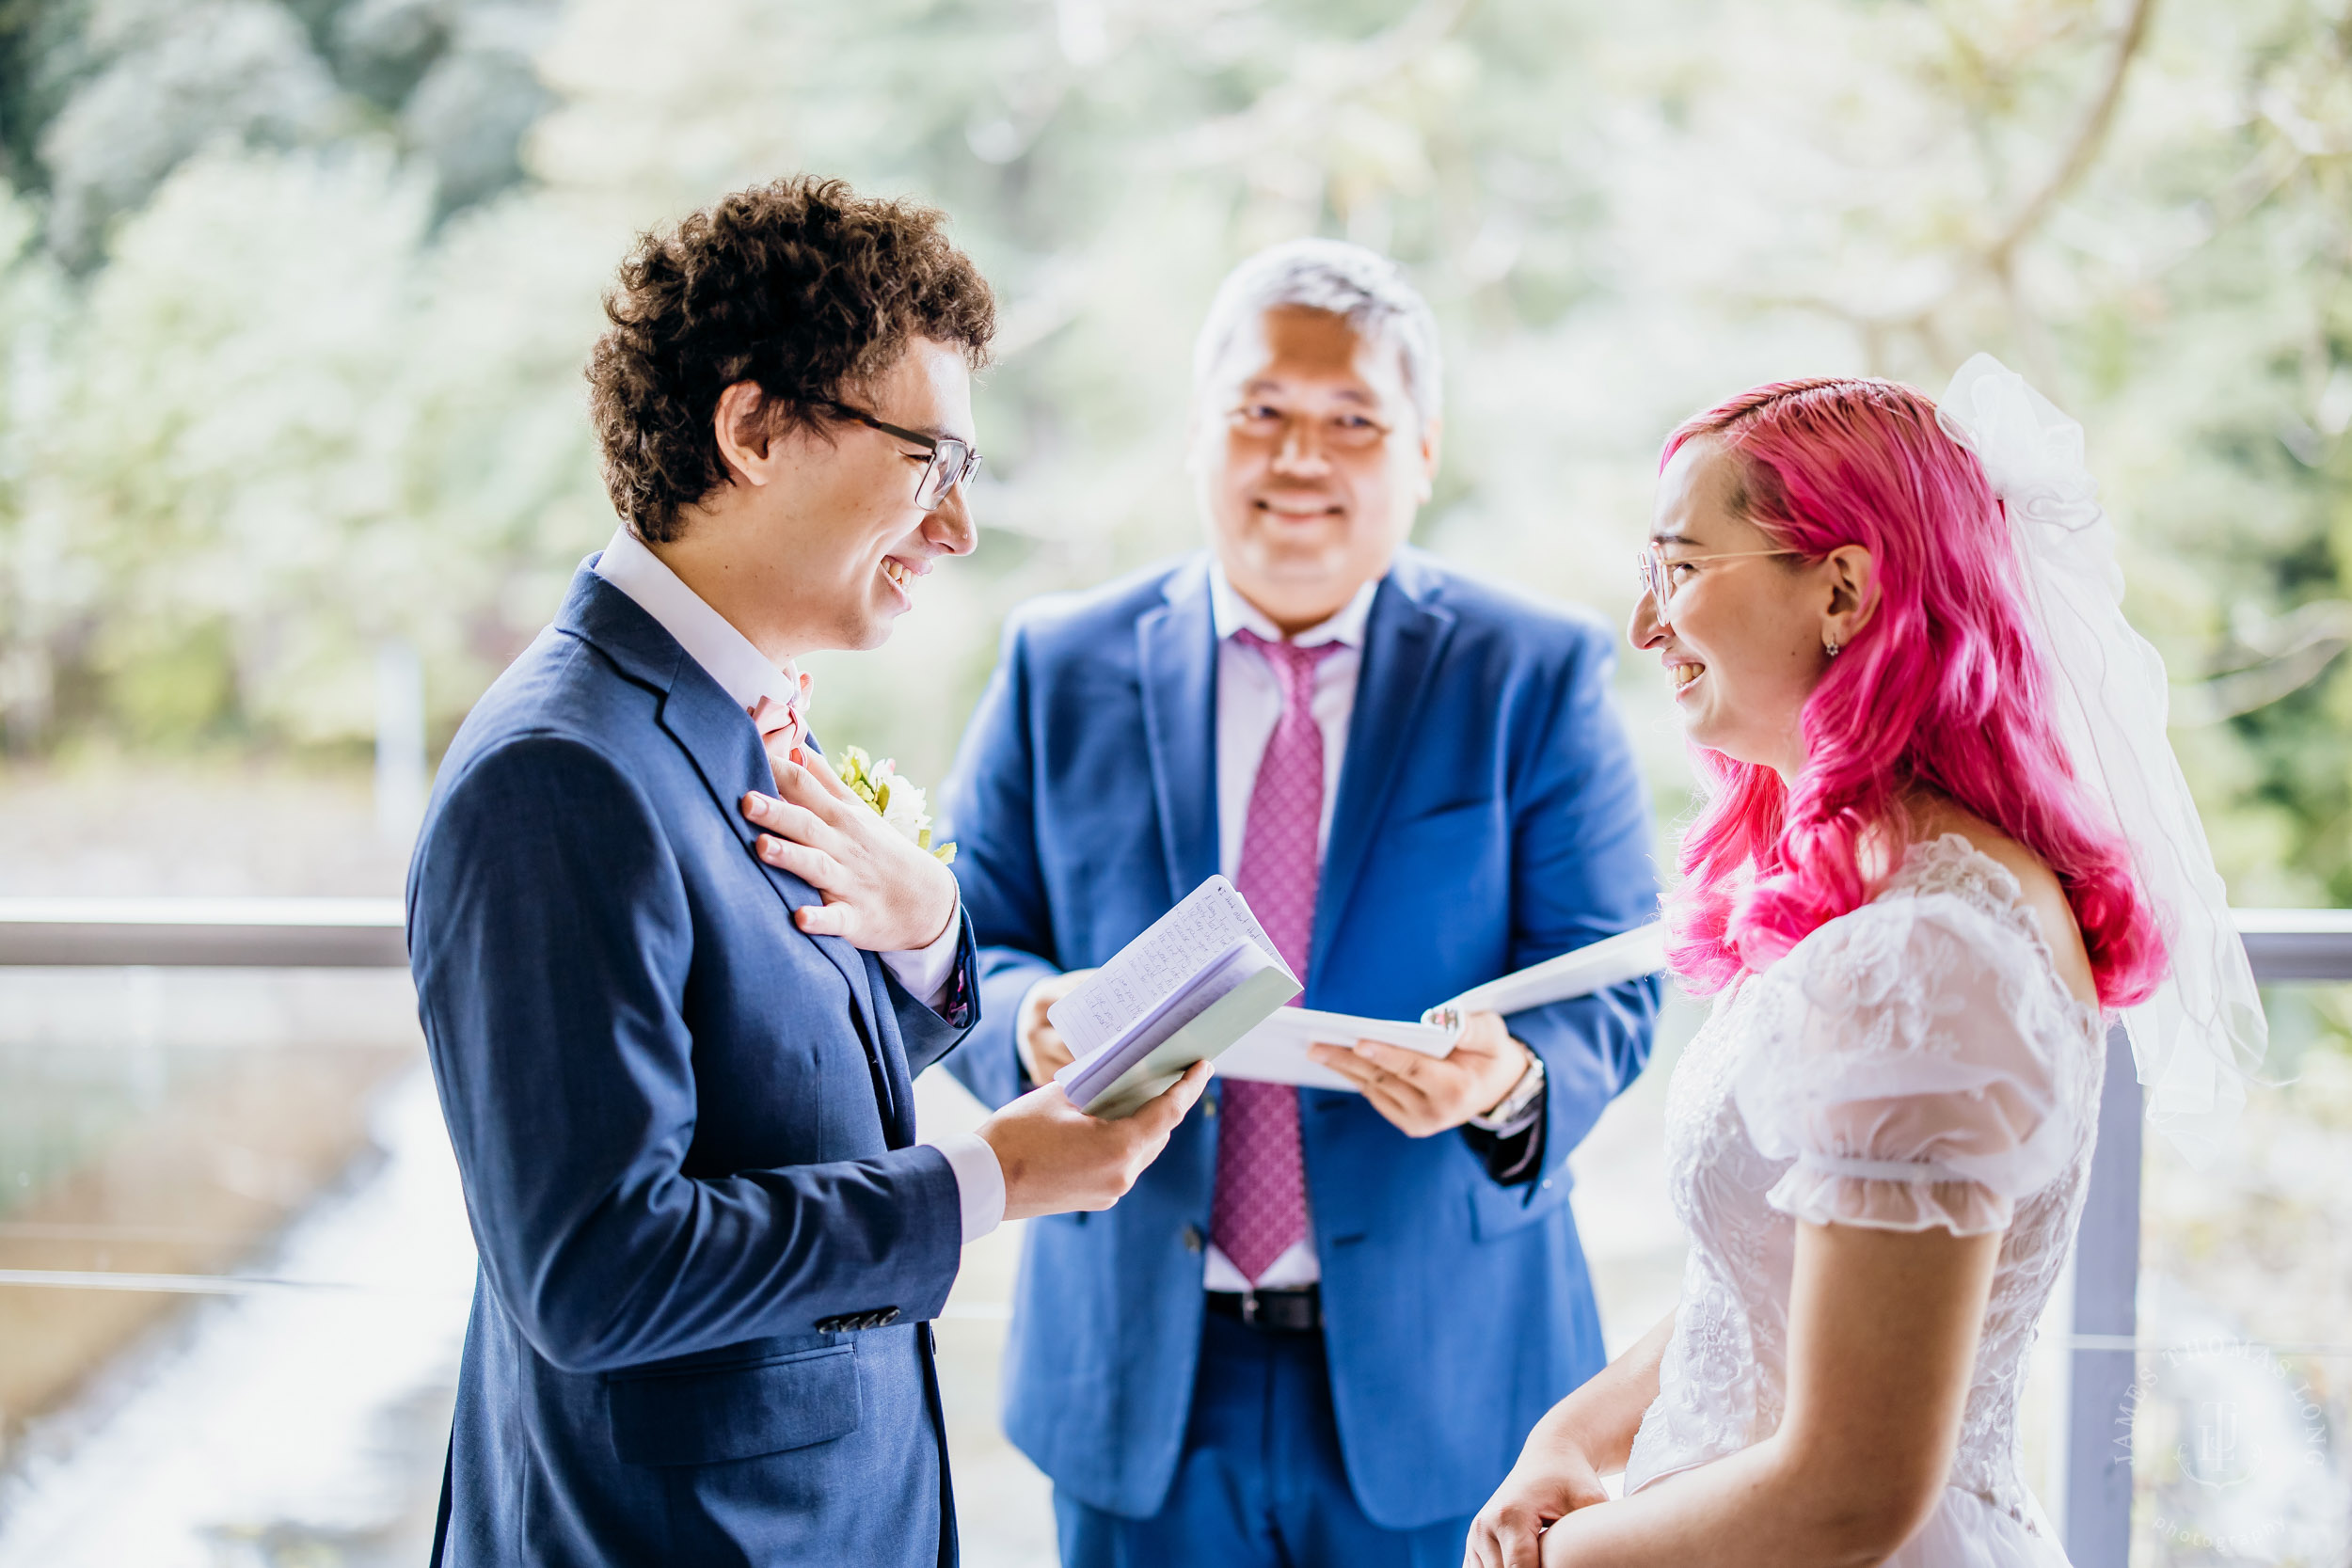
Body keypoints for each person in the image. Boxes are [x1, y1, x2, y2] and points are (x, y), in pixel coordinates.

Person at [405, 177, 1209, 1568]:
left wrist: (929, 932)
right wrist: (984, 1177)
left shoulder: (742, 710)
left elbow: (767, 1078)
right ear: (754, 426)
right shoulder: (559, 775)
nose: (956, 531)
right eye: (932, 465)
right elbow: (596, 1270)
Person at [1467, 362, 2264, 1567]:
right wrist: (1577, 1432)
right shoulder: (1905, 906)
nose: (1645, 623)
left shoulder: (1923, 960)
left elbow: (1850, 1492)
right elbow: (1797, 1276)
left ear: (1840, 588)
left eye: (1678, 569)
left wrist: (1568, 1556)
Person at [940, 238, 1661, 1568]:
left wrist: (1504, 1083)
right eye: (1261, 413)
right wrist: (1037, 1019)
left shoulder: (1534, 670)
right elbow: (955, 944)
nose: (1301, 458)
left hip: (1453, 1373)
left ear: (1423, 451)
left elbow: (1611, 974)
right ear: (1201, 432)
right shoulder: (1058, 661)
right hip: (1137, 1367)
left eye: (1352, 422)